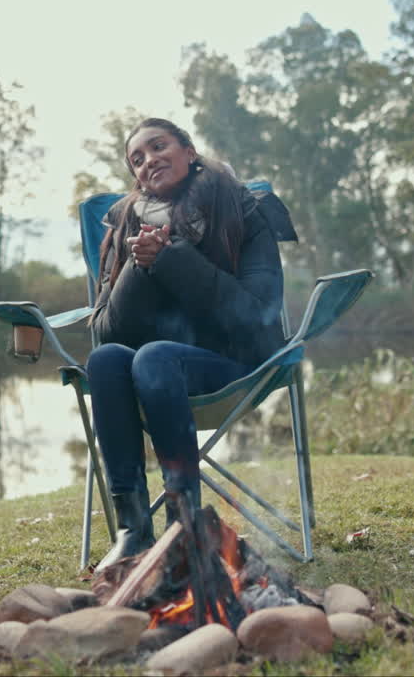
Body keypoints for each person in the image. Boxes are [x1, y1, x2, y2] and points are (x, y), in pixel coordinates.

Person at [88, 118, 295, 570]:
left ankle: (183, 528)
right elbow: (104, 331)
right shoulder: (125, 228)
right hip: (153, 376)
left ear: (190, 151)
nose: (149, 161)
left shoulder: (244, 210)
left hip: (237, 365)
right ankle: (132, 530)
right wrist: (138, 268)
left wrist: (173, 260)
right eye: (137, 160)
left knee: (155, 356)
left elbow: (255, 317)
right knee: (106, 360)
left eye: (158, 146)